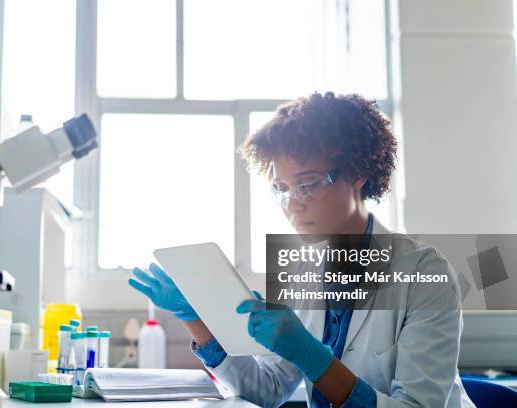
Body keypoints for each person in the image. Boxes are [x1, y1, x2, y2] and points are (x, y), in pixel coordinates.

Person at [128, 92, 475, 407]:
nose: (293, 204)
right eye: (281, 188)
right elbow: (267, 389)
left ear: (357, 173)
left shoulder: (424, 274)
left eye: (307, 184)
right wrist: (196, 319)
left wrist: (313, 358)